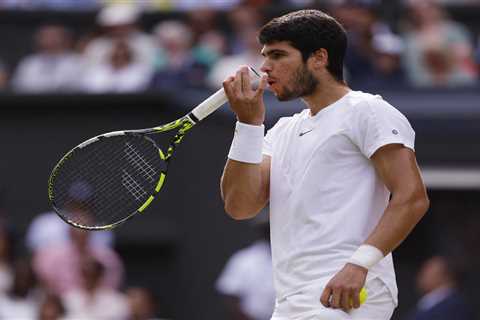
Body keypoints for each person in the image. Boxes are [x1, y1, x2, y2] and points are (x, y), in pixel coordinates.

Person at [220, 9, 429, 320]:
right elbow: (240, 206)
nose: (265, 68)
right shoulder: (281, 131)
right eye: (265, 56)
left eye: (278, 55)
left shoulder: (367, 110)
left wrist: (359, 263)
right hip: (291, 301)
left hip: (348, 294)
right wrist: (248, 124)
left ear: (318, 58)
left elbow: (412, 197)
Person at [216, 215, 275, 320]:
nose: (270, 233)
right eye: (267, 228)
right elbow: (230, 295)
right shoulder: (244, 259)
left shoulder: (296, 258)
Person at [403, 255, 473, 320]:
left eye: (427, 271)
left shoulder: (455, 307)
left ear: (444, 276)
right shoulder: (429, 303)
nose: (420, 276)